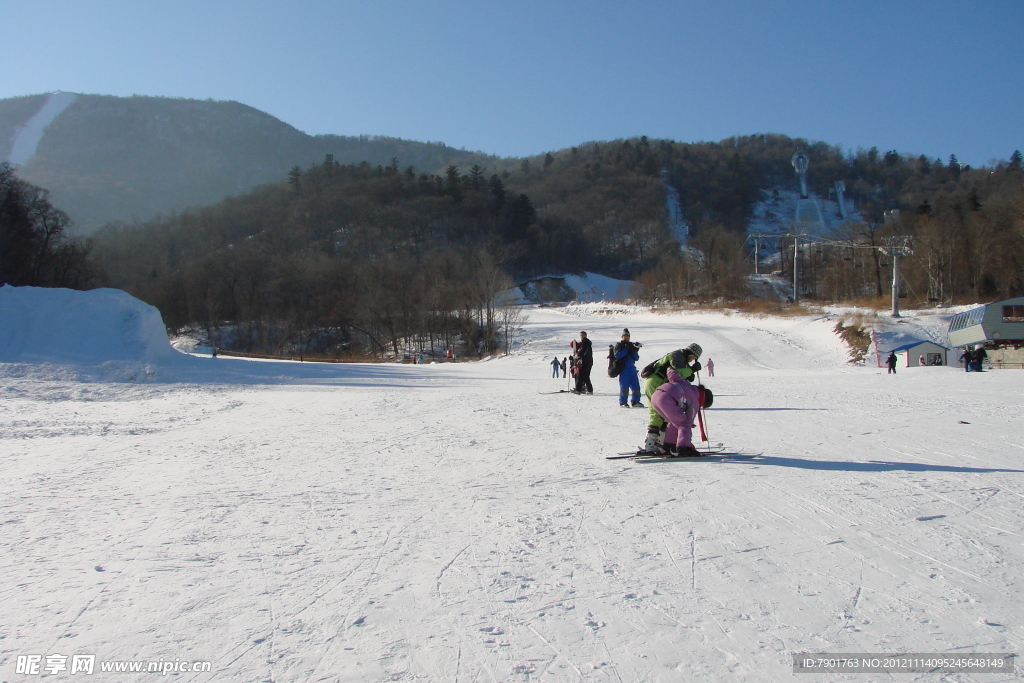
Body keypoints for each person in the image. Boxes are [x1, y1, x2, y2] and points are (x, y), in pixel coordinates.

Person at [642, 343, 703, 452]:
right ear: (691, 353)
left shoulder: (681, 357)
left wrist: (690, 372)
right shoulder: (677, 355)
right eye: (693, 357)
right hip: (656, 383)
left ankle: (660, 442)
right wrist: (692, 370)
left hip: (655, 383)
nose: (692, 360)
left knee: (665, 415)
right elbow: (676, 372)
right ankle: (650, 444)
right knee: (657, 414)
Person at [650, 367, 714, 456]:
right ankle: (683, 448)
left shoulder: (686, 384)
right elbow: (687, 423)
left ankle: (669, 446)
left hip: (655, 396)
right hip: (667, 399)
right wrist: (687, 442)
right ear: (704, 400)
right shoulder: (695, 400)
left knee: (675, 421)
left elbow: (673, 375)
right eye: (702, 406)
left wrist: (670, 367)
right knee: (683, 423)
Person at [612, 328, 642, 407]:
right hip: (624, 368)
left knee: (636, 386)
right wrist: (626, 349)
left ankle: (635, 401)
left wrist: (634, 349)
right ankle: (623, 402)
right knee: (624, 386)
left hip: (632, 368)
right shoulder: (619, 345)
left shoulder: (631, 345)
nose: (626, 338)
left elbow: (637, 357)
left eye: (627, 336)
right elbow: (617, 355)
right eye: (624, 336)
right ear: (622, 337)